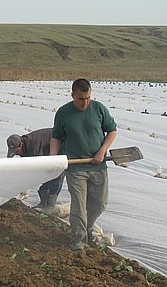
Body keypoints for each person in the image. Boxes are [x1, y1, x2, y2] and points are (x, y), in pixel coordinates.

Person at [50, 78, 117, 251]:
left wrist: (102, 151)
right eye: (80, 99)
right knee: (79, 207)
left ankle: (85, 228)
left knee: (99, 204)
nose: (84, 102)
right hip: (76, 168)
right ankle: (78, 242)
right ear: (73, 95)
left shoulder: (99, 108)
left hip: (98, 166)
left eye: (87, 98)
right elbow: (56, 136)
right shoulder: (64, 113)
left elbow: (112, 130)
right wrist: (53, 158)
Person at [7, 129, 64, 210]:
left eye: (16, 151)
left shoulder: (34, 147)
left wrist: (27, 186)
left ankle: (50, 206)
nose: (16, 153)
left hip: (60, 143)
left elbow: (39, 170)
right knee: (48, 175)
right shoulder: (24, 148)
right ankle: (43, 203)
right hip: (47, 149)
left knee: (57, 173)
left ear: (21, 145)